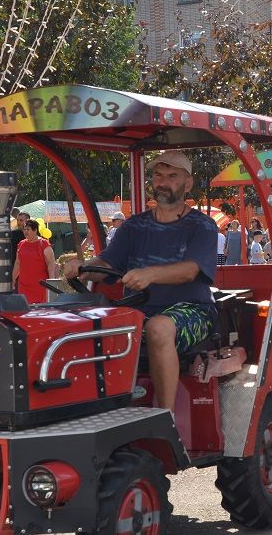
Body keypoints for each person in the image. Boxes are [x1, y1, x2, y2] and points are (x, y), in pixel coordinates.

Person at [65, 151, 217, 411]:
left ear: (187, 184)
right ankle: (94, 409)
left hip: (194, 310)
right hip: (137, 310)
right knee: (78, 325)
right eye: (158, 175)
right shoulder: (133, 226)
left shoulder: (201, 225)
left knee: (158, 328)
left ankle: (164, 415)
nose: (163, 181)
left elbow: (191, 270)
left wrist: (150, 274)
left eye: (172, 176)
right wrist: (84, 268)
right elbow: (107, 263)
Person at [13, 218, 58, 303]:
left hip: (40, 285)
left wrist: (52, 281)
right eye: (24, 229)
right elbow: (18, 263)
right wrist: (13, 278)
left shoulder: (44, 244)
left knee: (40, 309)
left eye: (28, 229)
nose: (25, 232)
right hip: (23, 285)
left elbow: (51, 263)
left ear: (35, 230)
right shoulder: (21, 244)